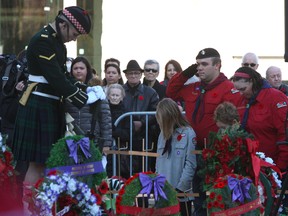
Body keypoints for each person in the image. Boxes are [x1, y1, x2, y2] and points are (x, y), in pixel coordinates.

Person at [10, 6, 97, 213]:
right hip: (39, 105)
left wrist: (81, 88)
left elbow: (62, 75)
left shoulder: (57, 42)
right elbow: (55, 78)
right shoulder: (43, 40)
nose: (74, 39)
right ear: (63, 24)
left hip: (49, 105)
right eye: (74, 34)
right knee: (37, 164)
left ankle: (40, 206)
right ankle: (29, 209)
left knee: (46, 163)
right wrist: (79, 97)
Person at [166, 48, 244, 215]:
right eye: (197, 64)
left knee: (218, 198)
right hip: (194, 151)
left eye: (204, 64)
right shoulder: (194, 87)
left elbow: (234, 122)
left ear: (217, 65)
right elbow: (170, 91)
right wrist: (185, 74)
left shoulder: (229, 89)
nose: (199, 68)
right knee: (198, 197)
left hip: (218, 153)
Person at [232, 66, 288, 171]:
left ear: (253, 82)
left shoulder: (275, 98)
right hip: (248, 164)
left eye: (243, 89)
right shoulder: (241, 100)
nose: (240, 94)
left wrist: (280, 168)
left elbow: (284, 135)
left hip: (272, 165)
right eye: (238, 90)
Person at [155, 98, 197, 216]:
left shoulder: (188, 133)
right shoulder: (162, 134)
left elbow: (190, 163)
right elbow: (159, 161)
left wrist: (181, 188)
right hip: (164, 191)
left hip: (180, 193)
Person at [121, 59, 159, 178]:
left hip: (144, 137)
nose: (133, 76)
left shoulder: (150, 92)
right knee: (123, 170)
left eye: (136, 73)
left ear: (141, 74)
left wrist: (142, 123)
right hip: (124, 137)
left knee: (144, 171)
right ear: (126, 75)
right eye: (130, 73)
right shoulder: (119, 90)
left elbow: (155, 113)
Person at [66, 56, 112, 151]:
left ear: (87, 70)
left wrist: (106, 143)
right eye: (75, 68)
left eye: (81, 68)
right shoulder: (66, 90)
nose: (78, 71)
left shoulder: (97, 90)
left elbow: (105, 118)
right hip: (70, 137)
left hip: (92, 137)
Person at [105, 83, 131, 177]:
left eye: (117, 95)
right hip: (105, 150)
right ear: (108, 96)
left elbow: (128, 133)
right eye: (112, 95)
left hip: (120, 151)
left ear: (121, 97)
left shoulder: (126, 113)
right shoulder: (103, 110)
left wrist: (113, 132)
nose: (115, 98)